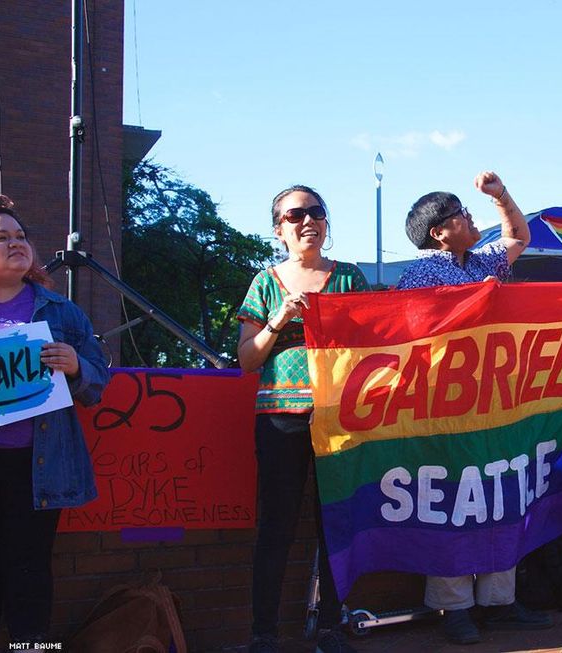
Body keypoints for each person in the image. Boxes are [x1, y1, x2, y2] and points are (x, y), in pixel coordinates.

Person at [396, 172, 552, 645]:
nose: (469, 216)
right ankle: (454, 606)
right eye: (459, 213)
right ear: (438, 231)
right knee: (454, 503)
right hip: (447, 403)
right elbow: (410, 335)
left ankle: (499, 601)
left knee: (501, 494)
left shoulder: (480, 259)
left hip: (498, 399)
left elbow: (520, 236)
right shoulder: (421, 271)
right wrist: (472, 301)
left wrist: (502, 194)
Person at [237, 186, 369, 653]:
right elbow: (246, 360)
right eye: (295, 215)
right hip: (280, 419)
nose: (307, 221)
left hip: (339, 416)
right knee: (276, 525)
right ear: (279, 229)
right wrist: (278, 320)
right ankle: (263, 634)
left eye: (316, 212)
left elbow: (371, 346)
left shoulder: (350, 278)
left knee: (337, 522)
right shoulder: (266, 281)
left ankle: (332, 627)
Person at [0, 195, 110, 645]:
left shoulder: (61, 311)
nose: (16, 244)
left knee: (31, 572)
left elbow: (98, 381)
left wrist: (76, 366)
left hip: (37, 466)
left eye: (21, 236)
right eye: (1, 238)